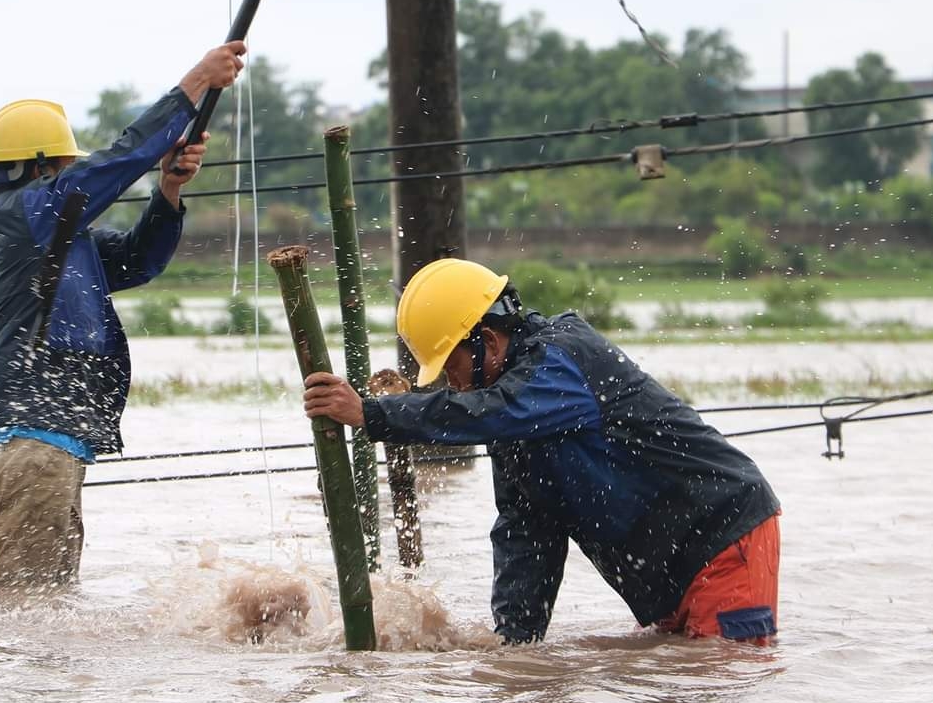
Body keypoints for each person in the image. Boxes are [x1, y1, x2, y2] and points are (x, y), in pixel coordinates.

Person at [302, 257, 781, 643]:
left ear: (487, 340)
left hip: (720, 535)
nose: (451, 385)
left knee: (722, 683)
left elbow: (494, 409)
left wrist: (373, 414)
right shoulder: (516, 422)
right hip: (667, 571)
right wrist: (514, 648)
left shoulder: (561, 358)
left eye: (451, 368)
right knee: (675, 686)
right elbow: (526, 534)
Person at [0, 40, 245, 592]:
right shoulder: (27, 213)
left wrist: (167, 190)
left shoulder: (60, 237)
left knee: (47, 606)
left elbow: (140, 260)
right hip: (31, 443)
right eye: (66, 168)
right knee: (32, 606)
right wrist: (194, 85)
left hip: (50, 444)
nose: (74, 176)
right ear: (41, 167)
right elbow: (120, 161)